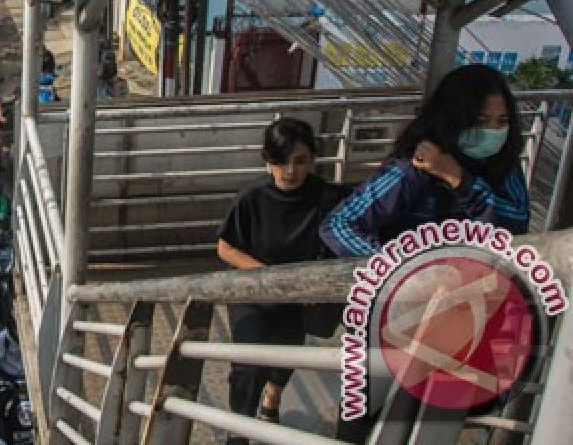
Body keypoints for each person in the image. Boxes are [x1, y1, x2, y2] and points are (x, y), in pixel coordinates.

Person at [216, 118, 348, 438]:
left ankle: (271, 401)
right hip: (253, 296)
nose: (290, 171)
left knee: (286, 351)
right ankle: (239, 428)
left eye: (300, 161)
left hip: (297, 298)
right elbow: (226, 247)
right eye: (280, 161)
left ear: (313, 160)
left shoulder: (327, 198)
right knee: (246, 367)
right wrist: (265, 275)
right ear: (267, 160)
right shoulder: (251, 198)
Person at [320, 64, 530, 258]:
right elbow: (338, 225)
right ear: (453, 119)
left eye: (502, 121)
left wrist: (460, 180)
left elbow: (516, 223)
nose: (493, 132)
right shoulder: (414, 166)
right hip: (413, 288)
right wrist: (395, 269)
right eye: (481, 121)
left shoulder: (504, 163)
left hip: (478, 283)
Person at [0, 318, 26, 440]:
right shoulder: (3, 337)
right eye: (17, 328)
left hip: (26, 378)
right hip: (6, 377)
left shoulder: (34, 337)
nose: (19, 331)